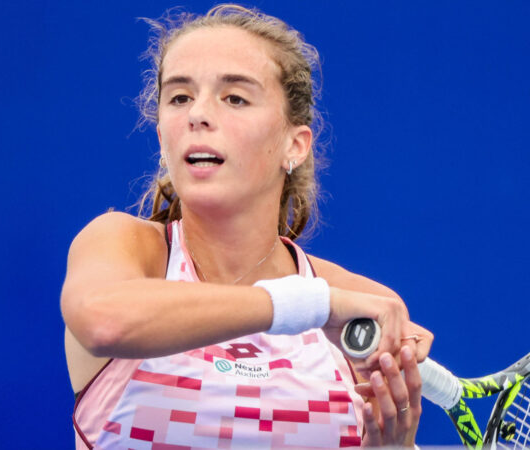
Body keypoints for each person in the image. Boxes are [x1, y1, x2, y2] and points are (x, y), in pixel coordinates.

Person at [61, 4, 433, 448]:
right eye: (179, 97)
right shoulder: (123, 247)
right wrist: (311, 306)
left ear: (293, 146)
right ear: (163, 138)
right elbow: (103, 322)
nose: (198, 114)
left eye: (234, 97)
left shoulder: (362, 306)